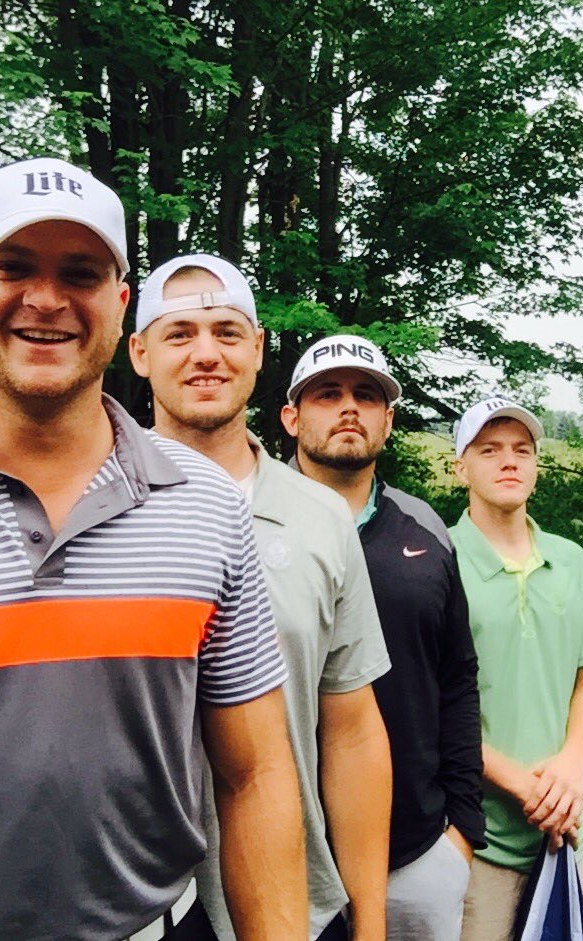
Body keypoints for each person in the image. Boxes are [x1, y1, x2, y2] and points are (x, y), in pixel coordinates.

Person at [0, 158, 308, 941]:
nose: (46, 299)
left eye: (80, 273)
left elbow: (255, 774)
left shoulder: (206, 505)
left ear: (119, 308)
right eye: (14, 266)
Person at [128, 256, 393, 941]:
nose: (206, 353)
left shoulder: (322, 515)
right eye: (179, 332)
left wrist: (367, 919)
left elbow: (353, 728)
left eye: (226, 331)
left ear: (256, 350)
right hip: (144, 910)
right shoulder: (95, 505)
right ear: (138, 352)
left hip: (296, 906)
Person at [281, 335, 486, 941]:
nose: (349, 408)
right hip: (283, 854)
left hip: (418, 851)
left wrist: (463, 830)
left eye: (366, 396)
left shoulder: (425, 530)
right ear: (291, 417)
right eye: (328, 394)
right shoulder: (249, 520)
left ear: (388, 422)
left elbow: (458, 677)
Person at [448, 396, 583, 941]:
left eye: (522, 450)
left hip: (561, 829)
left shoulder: (571, 560)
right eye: (490, 449)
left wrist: (572, 765)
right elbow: (428, 708)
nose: (509, 461)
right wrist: (523, 785)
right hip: (479, 836)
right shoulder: (438, 561)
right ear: (460, 467)